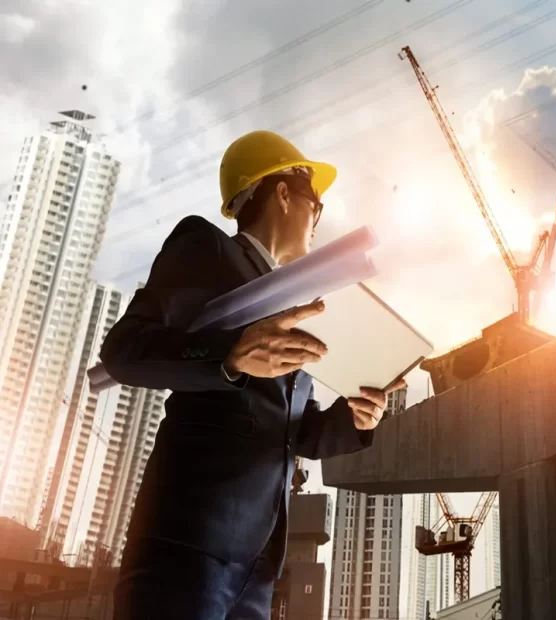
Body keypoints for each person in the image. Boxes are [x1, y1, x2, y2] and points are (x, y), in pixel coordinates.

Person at [101, 130, 403, 619]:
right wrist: (231, 356)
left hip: (258, 566)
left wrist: (356, 418)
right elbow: (123, 351)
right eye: (316, 205)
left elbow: (295, 432)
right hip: (189, 544)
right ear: (283, 192)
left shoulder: (292, 305)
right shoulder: (209, 249)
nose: (316, 219)